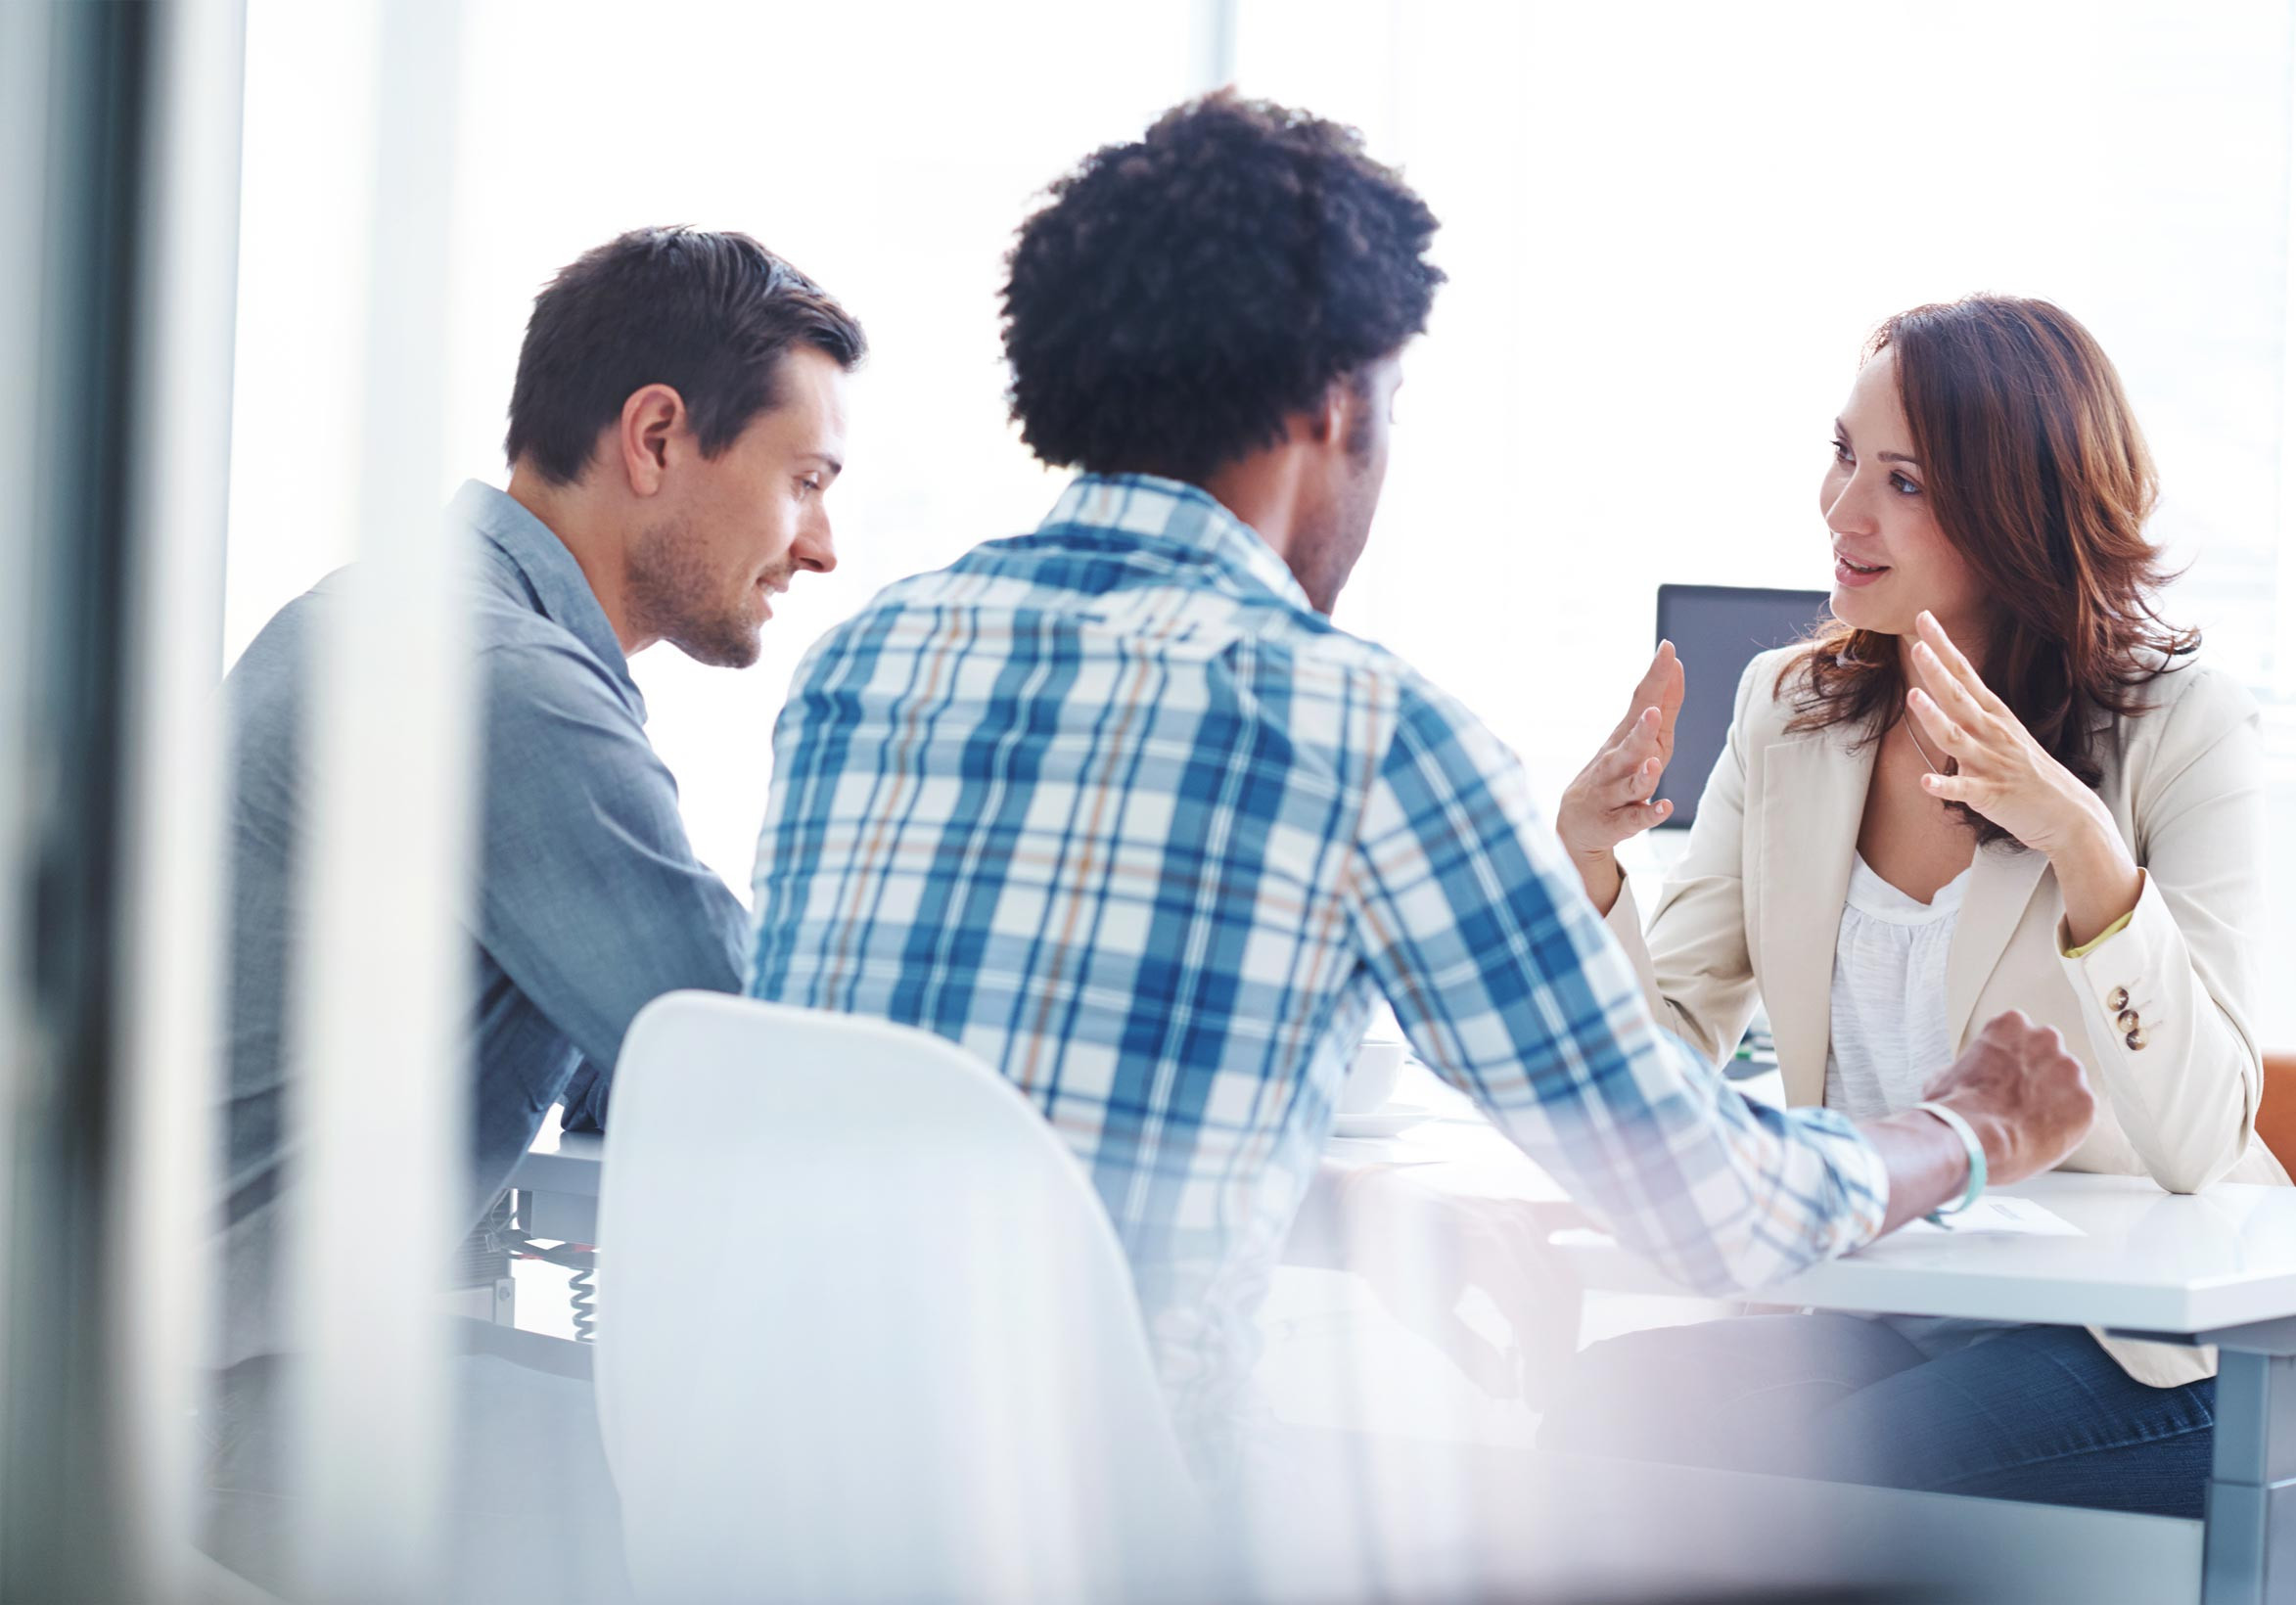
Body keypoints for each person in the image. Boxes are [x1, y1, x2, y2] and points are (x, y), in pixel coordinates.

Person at [745, 95, 2096, 1479]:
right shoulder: (1359, 727)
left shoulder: (864, 668)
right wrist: (1970, 1126)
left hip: (769, 1505)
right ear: (1334, 404)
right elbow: (1713, 1208)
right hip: (1113, 1533)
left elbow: (994, 1142)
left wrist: (1354, 1214)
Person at [1539, 294, 2283, 1517]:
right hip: (1883, 1306)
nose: (1842, 511)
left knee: (1841, 1471)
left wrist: (2081, 844)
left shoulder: (2181, 727)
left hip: (2139, 1345)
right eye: (1842, 456)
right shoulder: (1786, 710)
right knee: (1601, 1408)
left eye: (1903, 481)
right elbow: (1665, 1053)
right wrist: (1590, 866)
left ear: (2015, 509)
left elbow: (2201, 1138)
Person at [208, 229, 863, 1601]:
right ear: (656, 437)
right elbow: (736, 1043)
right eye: (802, 482)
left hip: (194, 1359)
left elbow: (633, 1036)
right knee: (795, 1512)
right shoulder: (497, 679)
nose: (821, 547)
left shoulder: (393, 619)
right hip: (223, 1400)